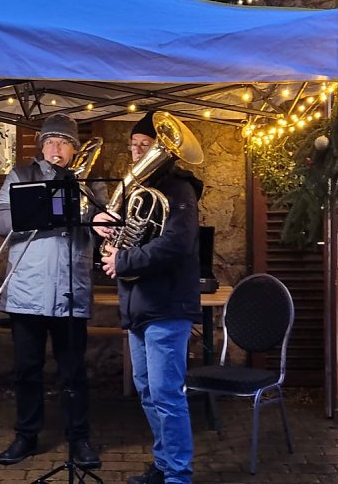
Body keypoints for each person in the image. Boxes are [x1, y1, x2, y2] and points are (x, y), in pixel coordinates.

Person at [0, 114, 107, 469]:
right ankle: (26, 436)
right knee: (27, 369)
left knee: (73, 371)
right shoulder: (20, 176)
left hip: (70, 289)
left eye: (64, 143)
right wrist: (38, 210)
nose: (57, 150)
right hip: (27, 291)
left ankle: (79, 437)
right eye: (51, 143)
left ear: (74, 149)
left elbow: (103, 229)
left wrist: (92, 210)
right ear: (42, 146)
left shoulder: (90, 181)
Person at [94, 112, 204, 484]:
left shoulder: (179, 189)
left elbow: (176, 245)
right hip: (138, 305)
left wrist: (123, 259)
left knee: (167, 396)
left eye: (147, 146)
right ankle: (164, 464)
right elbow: (120, 240)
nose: (139, 152)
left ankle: (178, 475)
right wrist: (105, 228)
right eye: (134, 147)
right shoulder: (132, 193)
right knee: (147, 392)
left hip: (167, 305)